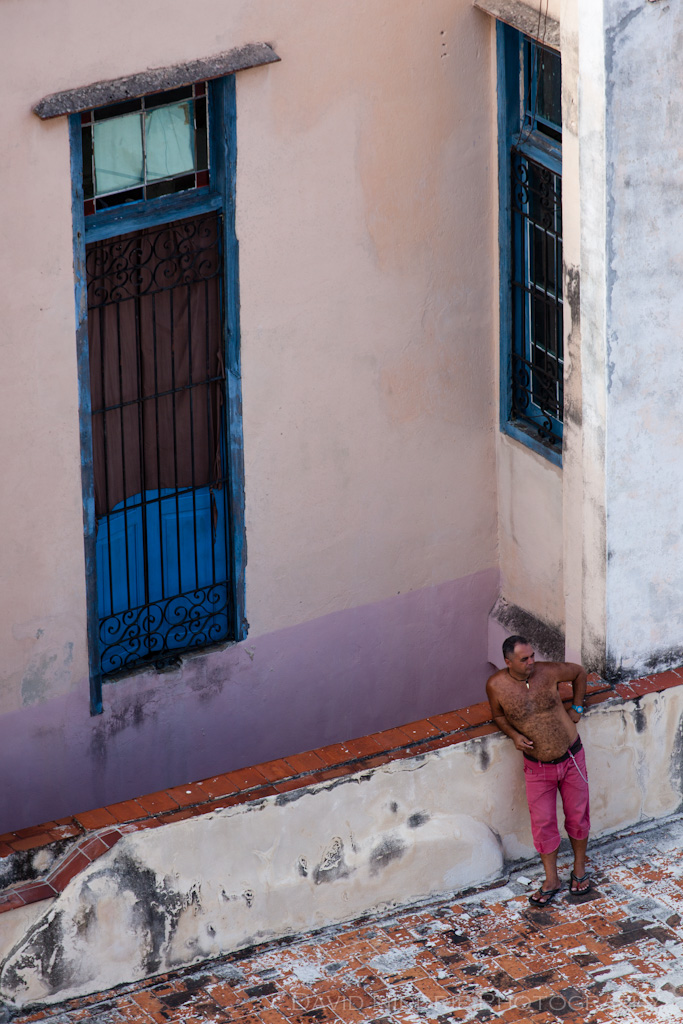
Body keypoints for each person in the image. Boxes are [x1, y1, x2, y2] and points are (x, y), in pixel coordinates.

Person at [486, 635, 591, 906]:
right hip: (537, 767)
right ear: (508, 662)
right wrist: (513, 735)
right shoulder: (496, 685)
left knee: (578, 817)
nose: (532, 661)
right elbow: (498, 715)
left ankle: (579, 869)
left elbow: (579, 673)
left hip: (571, 757)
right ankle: (551, 879)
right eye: (524, 659)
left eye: (532, 655)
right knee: (543, 826)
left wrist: (577, 707)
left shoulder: (548, 671)